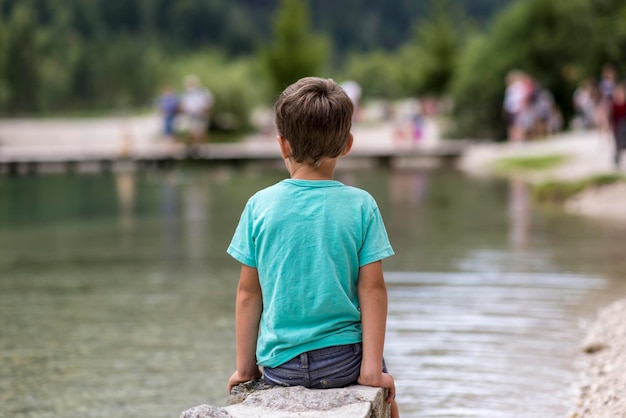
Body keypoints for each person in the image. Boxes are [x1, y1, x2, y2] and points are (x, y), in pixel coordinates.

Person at [226, 77, 399, 417]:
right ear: (347, 144)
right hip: (343, 362)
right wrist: (370, 372)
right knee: (388, 384)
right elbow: (373, 289)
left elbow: (249, 293)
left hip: (281, 367)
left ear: (282, 145)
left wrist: (245, 370)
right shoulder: (361, 205)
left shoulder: (259, 206)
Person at [179, 75, 214, 147]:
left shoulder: (203, 92)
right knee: (192, 132)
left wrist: (206, 111)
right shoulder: (186, 94)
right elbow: (182, 105)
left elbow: (209, 103)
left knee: (202, 132)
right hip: (191, 115)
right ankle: (194, 147)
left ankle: (203, 147)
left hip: (202, 114)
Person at [609, 82, 626, 169]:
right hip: (618, 127)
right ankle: (617, 160)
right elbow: (612, 117)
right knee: (618, 145)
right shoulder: (614, 105)